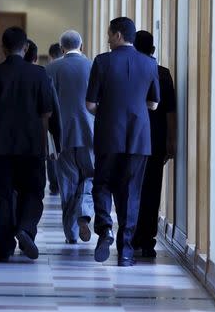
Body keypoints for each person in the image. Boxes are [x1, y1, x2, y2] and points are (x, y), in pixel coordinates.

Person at [86, 17, 160, 267]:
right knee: (131, 192)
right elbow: (154, 103)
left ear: (118, 35)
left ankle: (104, 229)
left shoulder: (102, 61)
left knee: (103, 183)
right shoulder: (149, 63)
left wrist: (109, 112)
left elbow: (90, 104)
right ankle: (126, 251)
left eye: (109, 34)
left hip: (109, 134)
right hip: (139, 137)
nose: (107, 39)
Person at [0, 27, 54, 263]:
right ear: (26, 47)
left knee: (1, 196)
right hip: (31, 145)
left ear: (3, 47)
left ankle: (4, 247)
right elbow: (46, 111)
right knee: (33, 190)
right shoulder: (39, 75)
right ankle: (26, 228)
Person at [46, 30, 94, 244]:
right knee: (90, 176)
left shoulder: (52, 68)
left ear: (62, 47)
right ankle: (84, 211)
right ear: (81, 46)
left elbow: (46, 107)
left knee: (67, 182)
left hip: (62, 134)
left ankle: (71, 234)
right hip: (90, 133)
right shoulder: (93, 66)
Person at [132, 30, 176, 258]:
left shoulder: (129, 70)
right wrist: (171, 140)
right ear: (153, 50)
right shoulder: (163, 74)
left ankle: (131, 234)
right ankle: (147, 238)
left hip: (131, 139)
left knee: (131, 188)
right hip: (156, 140)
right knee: (152, 189)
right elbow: (170, 111)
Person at [25, 39, 62, 195]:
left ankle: (54, 184)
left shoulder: (47, 70)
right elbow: (50, 109)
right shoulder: (42, 76)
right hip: (38, 133)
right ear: (35, 58)